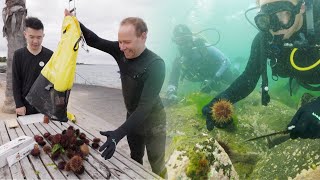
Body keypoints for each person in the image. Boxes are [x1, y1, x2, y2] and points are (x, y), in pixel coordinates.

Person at [64, 10, 167, 177]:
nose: (122, 47)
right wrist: (74, 21)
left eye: (127, 42)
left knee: (157, 163)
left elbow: (144, 107)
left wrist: (117, 134)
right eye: (120, 42)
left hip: (154, 122)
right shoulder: (120, 50)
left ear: (143, 36)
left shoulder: (156, 64)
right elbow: (93, 40)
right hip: (132, 118)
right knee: (135, 158)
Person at [202, 0, 320, 139]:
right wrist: (219, 100)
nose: (275, 27)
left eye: (283, 13)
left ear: (302, 7)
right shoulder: (264, 40)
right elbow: (249, 78)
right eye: (267, 18)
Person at [166, 24, 238, 101]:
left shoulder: (204, 46)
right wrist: (171, 92)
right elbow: (174, 76)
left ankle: (237, 65)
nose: (184, 44)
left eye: (186, 39)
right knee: (219, 90)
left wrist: (215, 78)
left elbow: (226, 61)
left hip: (220, 71)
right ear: (175, 42)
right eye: (180, 41)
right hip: (207, 78)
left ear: (191, 37)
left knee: (235, 82)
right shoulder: (179, 58)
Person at [12, 17, 53, 116]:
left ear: (43, 35)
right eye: (32, 37)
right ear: (25, 35)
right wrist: (18, 104)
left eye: (39, 37)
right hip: (24, 107)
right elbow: (16, 82)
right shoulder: (18, 55)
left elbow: (53, 81)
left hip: (44, 106)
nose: (35, 41)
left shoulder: (50, 55)